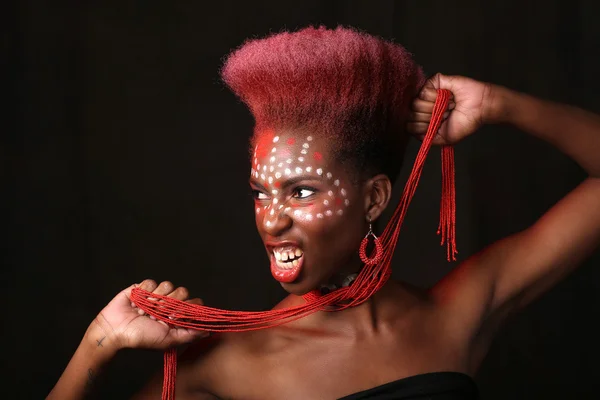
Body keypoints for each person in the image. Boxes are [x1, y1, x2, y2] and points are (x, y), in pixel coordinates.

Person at [48, 26, 600, 400]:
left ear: (376, 199)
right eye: (261, 193)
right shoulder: (224, 363)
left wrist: (504, 105)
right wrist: (99, 340)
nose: (271, 220)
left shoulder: (456, 313)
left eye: (302, 192)